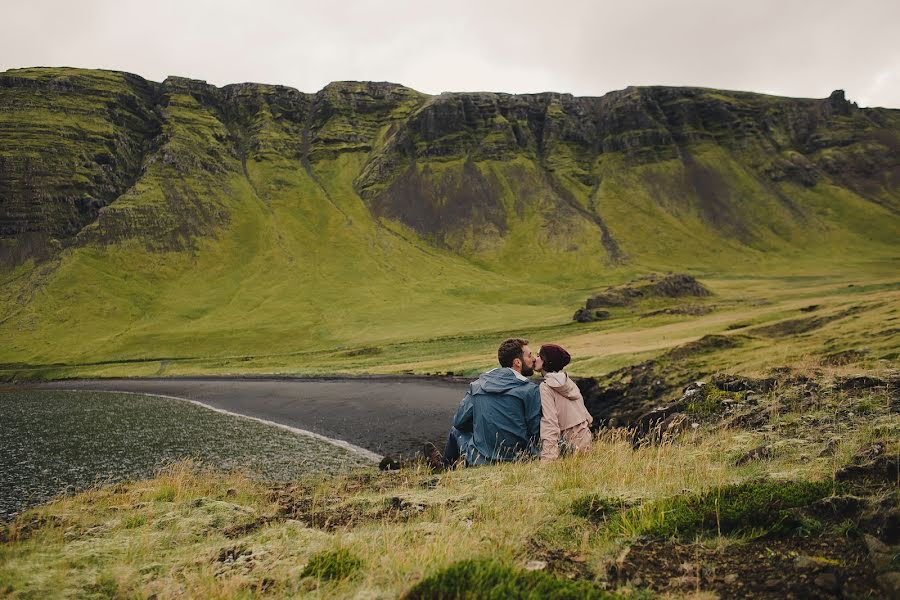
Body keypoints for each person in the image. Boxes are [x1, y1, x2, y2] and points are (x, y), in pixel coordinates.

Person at [428, 338, 542, 468]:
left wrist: (482, 425)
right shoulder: (531, 390)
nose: (533, 359)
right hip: (518, 459)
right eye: (529, 355)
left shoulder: (478, 385)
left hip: (480, 460)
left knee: (455, 431)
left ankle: (445, 467)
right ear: (517, 362)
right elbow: (535, 432)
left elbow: (459, 422)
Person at [536, 343, 592, 461]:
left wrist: (548, 459)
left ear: (547, 361)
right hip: (585, 441)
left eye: (539, 356)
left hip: (569, 445)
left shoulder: (546, 387)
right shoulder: (569, 382)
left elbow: (550, 423)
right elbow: (587, 416)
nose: (535, 359)